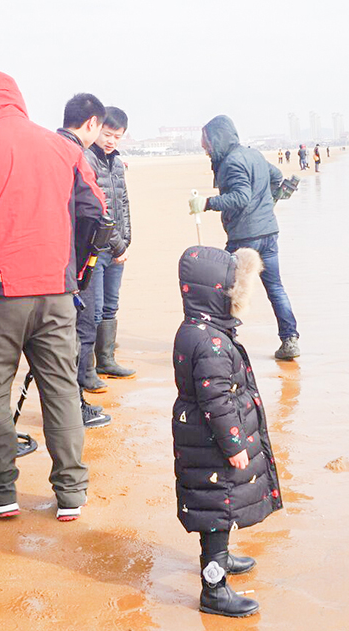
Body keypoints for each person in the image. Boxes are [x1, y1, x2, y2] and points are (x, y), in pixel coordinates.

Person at [0, 70, 106, 522]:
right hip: (56, 290)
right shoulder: (64, 147)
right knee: (62, 390)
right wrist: (73, 271)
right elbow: (96, 213)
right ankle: (71, 493)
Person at [172, 245, 282, 617]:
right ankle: (214, 589)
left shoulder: (198, 329)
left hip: (200, 436)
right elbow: (215, 399)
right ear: (217, 293)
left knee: (220, 502)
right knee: (216, 505)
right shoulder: (212, 343)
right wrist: (234, 443)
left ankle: (221, 556)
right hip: (211, 440)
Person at [189, 115, 300, 360]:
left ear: (218, 140)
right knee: (275, 287)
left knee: (225, 287)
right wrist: (268, 202)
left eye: (208, 146)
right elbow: (276, 176)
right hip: (269, 233)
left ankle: (224, 339)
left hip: (244, 238)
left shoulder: (231, 162)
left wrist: (206, 203)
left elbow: (241, 197)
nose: (207, 151)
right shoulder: (254, 154)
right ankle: (290, 339)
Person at [56, 94, 113, 428]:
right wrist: (80, 262)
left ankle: (64, 405)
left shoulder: (45, 147)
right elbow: (95, 209)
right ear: (92, 123)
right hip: (69, 265)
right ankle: (74, 405)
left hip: (38, 263)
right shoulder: (75, 153)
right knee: (80, 330)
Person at [84, 107, 136, 380]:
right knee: (92, 311)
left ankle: (106, 360)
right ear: (96, 129)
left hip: (117, 249)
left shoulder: (116, 163)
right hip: (95, 248)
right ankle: (86, 369)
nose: (111, 141)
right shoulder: (87, 159)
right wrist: (118, 245)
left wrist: (126, 239)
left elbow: (123, 203)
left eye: (117, 136)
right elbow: (96, 209)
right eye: (107, 134)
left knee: (110, 306)